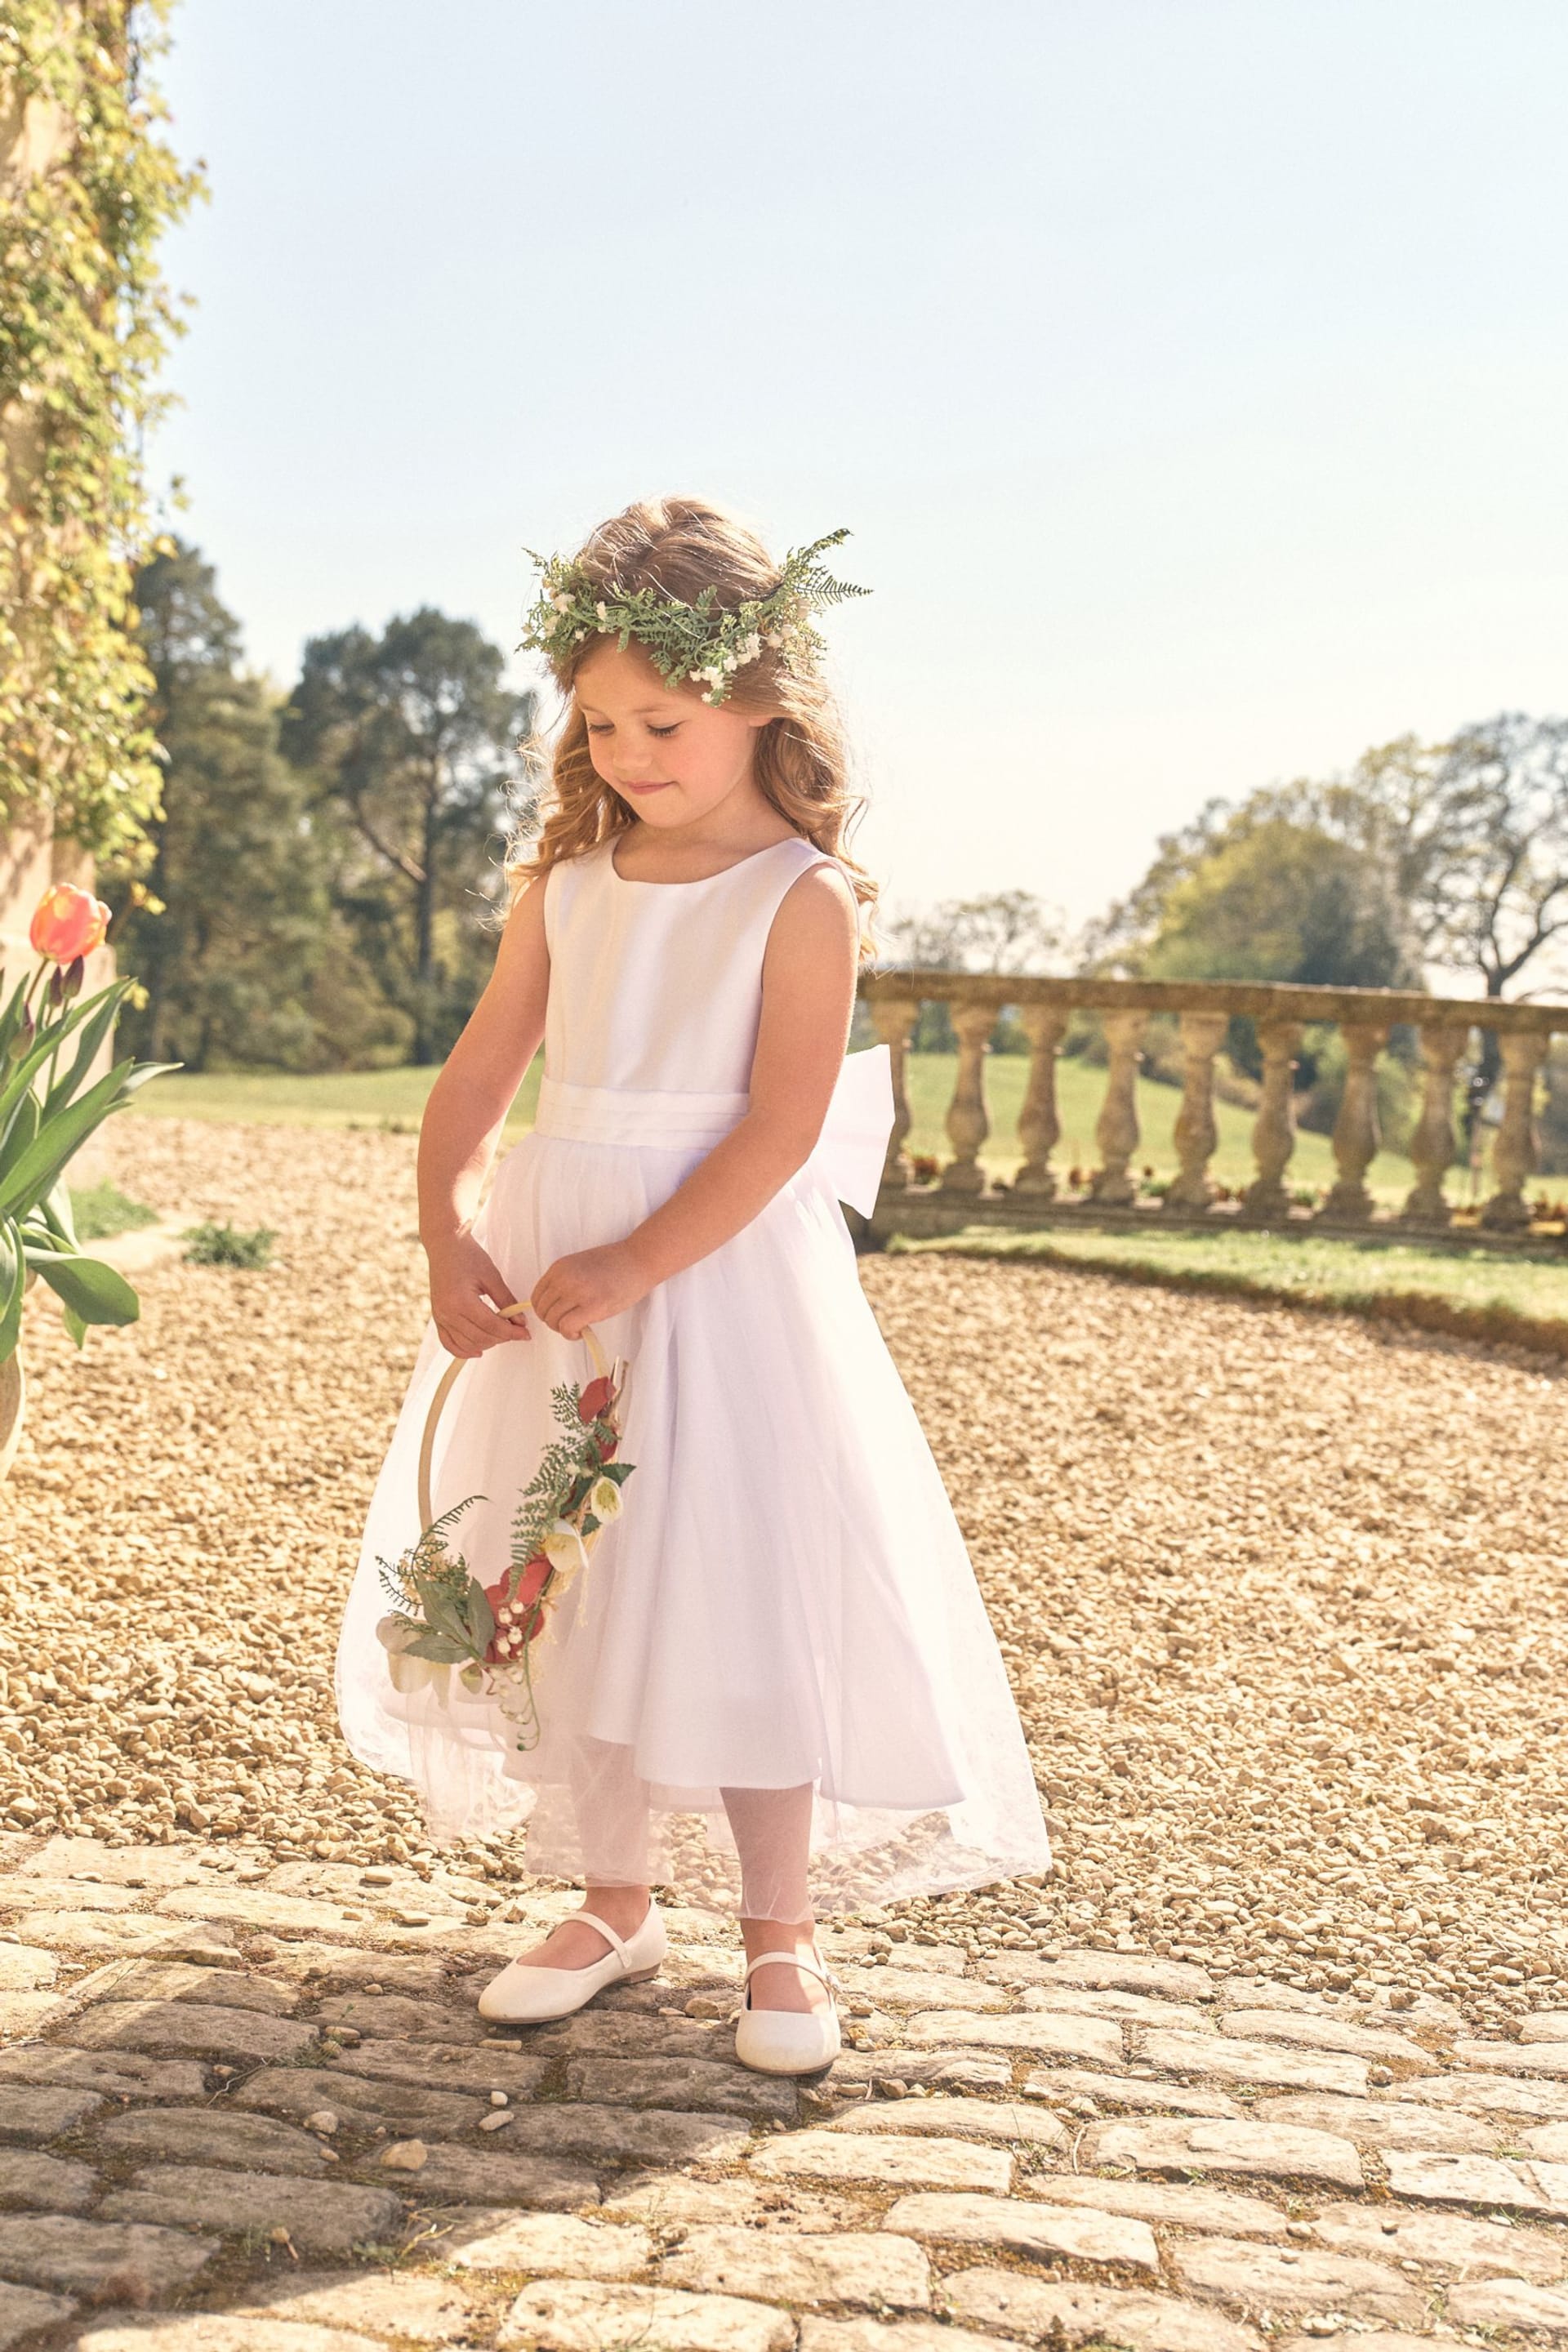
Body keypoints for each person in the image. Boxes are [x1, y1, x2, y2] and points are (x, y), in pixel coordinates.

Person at [335, 497, 1052, 2074]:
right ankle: (611, 1897)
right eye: (598, 725)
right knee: (564, 1572)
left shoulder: (799, 899)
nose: (627, 754)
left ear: (761, 701)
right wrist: (450, 1226)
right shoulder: (571, 888)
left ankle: (778, 1933)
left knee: (730, 1580)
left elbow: (784, 1128)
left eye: (660, 721)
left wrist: (639, 1260)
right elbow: (476, 1076)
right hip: (557, 1264)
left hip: (715, 1277)